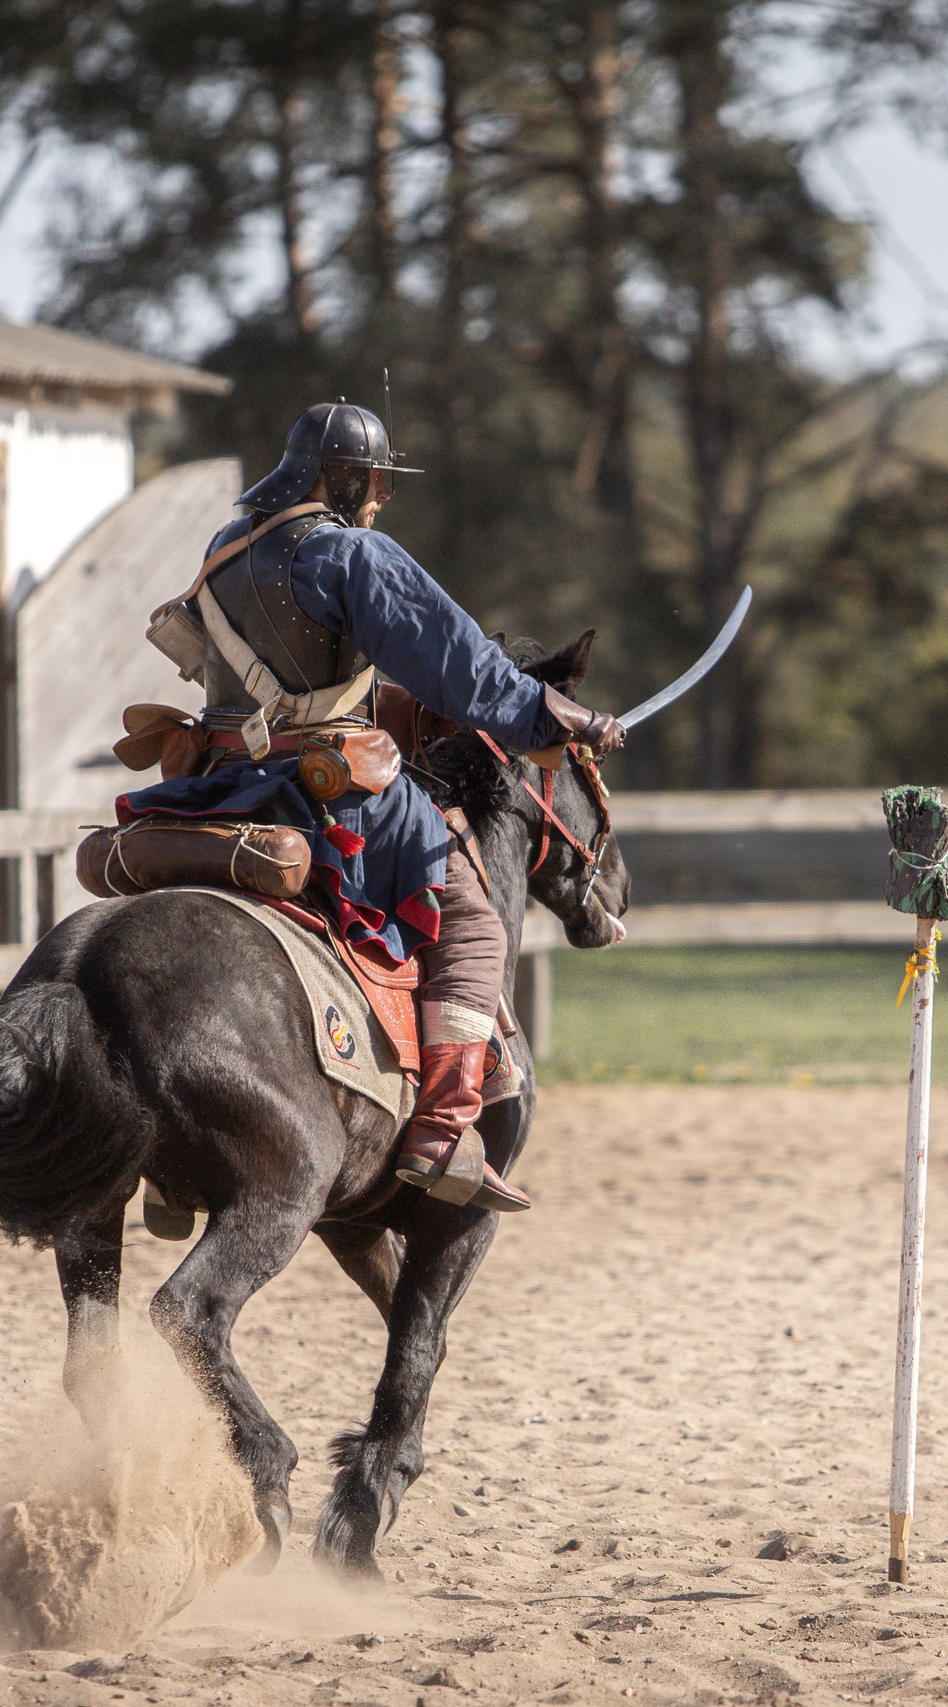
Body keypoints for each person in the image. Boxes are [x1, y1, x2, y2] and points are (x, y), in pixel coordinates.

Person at [123, 401, 625, 1213]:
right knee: (473, 920)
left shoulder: (224, 549)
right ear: (339, 476)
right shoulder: (352, 553)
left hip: (214, 786)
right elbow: (464, 667)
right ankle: (442, 1130)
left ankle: (169, 1163)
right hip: (320, 795)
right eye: (378, 479)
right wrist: (565, 718)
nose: (383, 496)